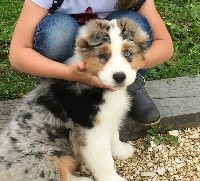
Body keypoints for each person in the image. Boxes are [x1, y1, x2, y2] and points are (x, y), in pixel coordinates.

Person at [9, 0, 174, 125]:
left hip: (115, 56)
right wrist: (67, 73)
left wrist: (129, 67)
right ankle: (55, 83)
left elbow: (165, 44)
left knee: (135, 24)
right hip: (68, 56)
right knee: (57, 32)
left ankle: (130, 85)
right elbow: (18, 54)